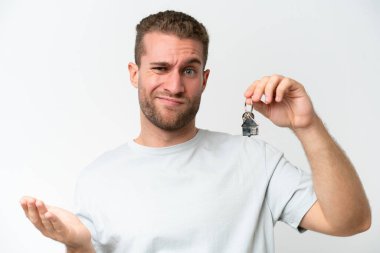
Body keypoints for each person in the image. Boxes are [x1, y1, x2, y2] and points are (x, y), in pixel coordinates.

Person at [20, 10, 371, 253]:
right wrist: (78, 246)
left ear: (204, 79)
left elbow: (350, 221)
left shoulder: (255, 159)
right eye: (160, 68)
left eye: (189, 71)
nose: (174, 85)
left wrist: (307, 125)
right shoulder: (97, 178)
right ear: (134, 74)